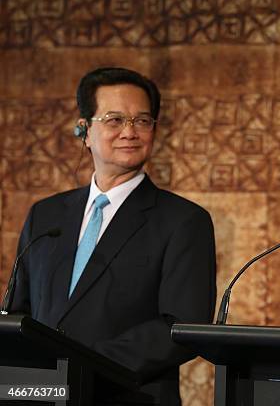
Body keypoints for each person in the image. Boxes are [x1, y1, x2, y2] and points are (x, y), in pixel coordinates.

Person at [9, 67, 216, 405]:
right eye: (115, 120)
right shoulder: (45, 215)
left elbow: (182, 325)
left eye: (143, 121)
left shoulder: (183, 221)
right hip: (43, 395)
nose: (130, 132)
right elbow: (19, 312)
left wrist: (82, 364)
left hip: (127, 395)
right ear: (84, 131)